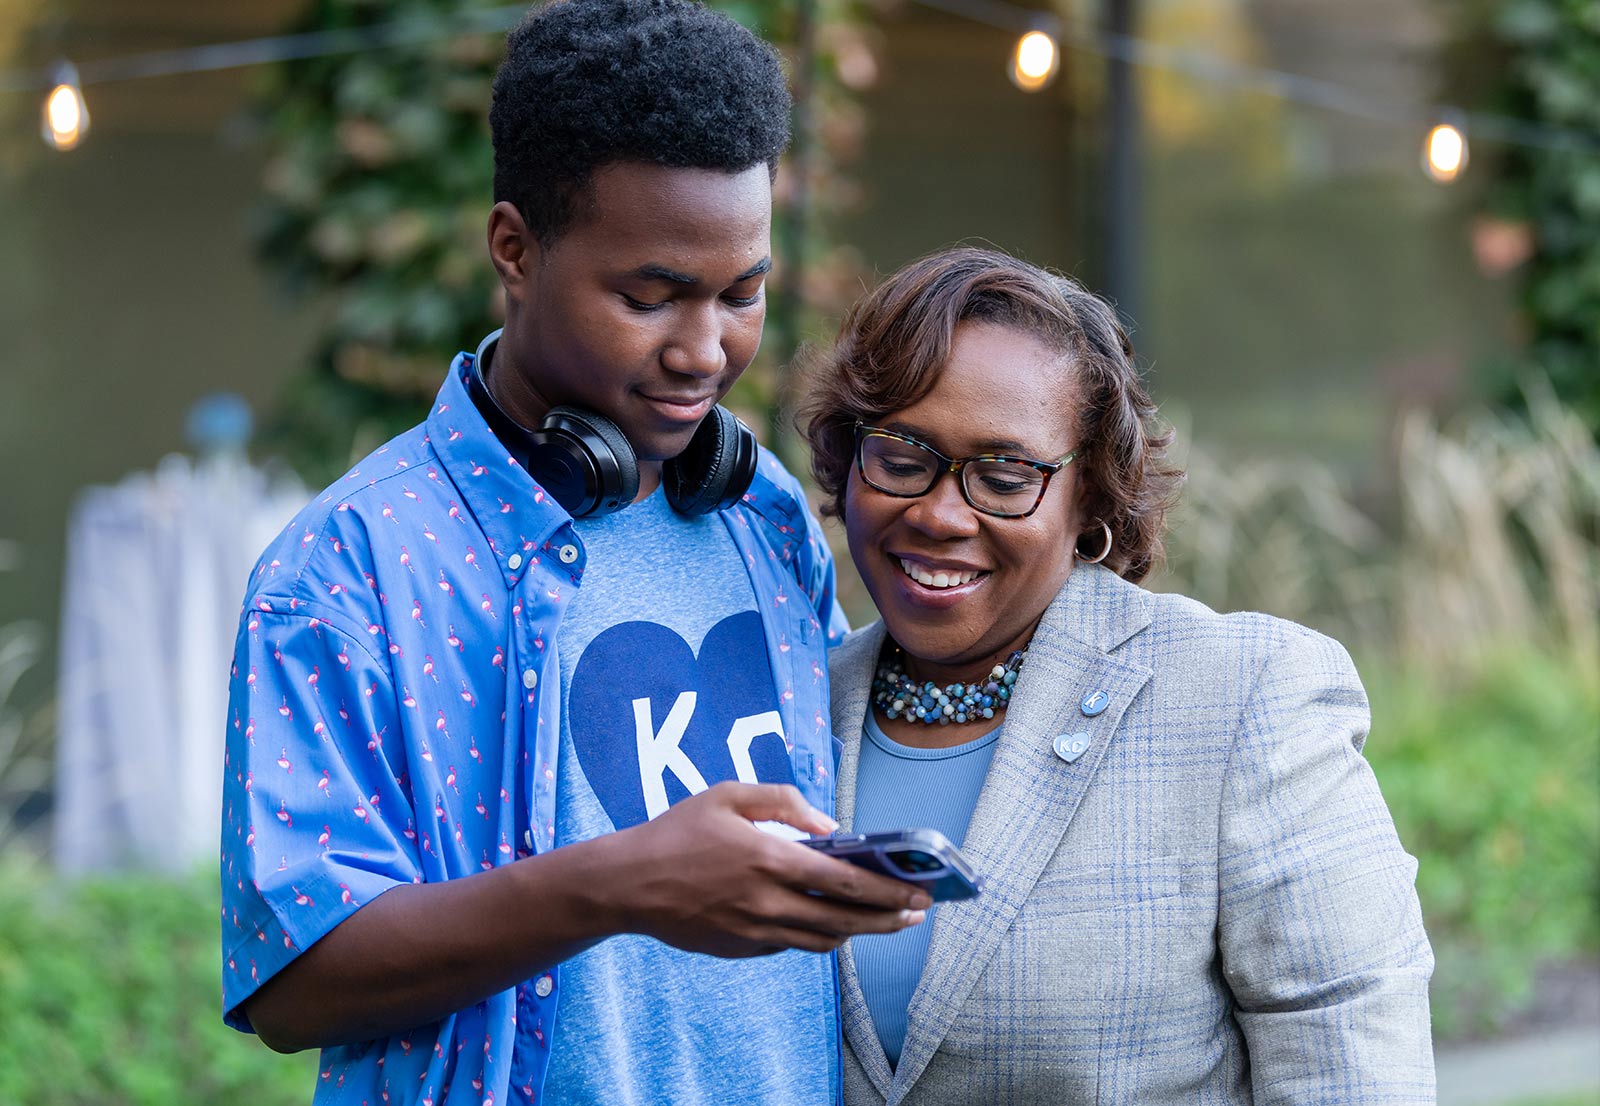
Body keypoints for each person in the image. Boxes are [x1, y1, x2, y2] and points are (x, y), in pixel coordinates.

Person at [219, 3, 931, 1104]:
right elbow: (294, 982)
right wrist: (621, 883)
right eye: (648, 297)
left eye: (741, 293)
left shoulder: (764, 512)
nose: (704, 352)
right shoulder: (346, 570)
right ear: (514, 248)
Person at [798, 246, 1436, 1105]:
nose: (941, 514)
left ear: (1090, 496)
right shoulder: (794, 706)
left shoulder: (1240, 696)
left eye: (1004, 476)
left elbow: (1355, 1075)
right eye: (904, 458)